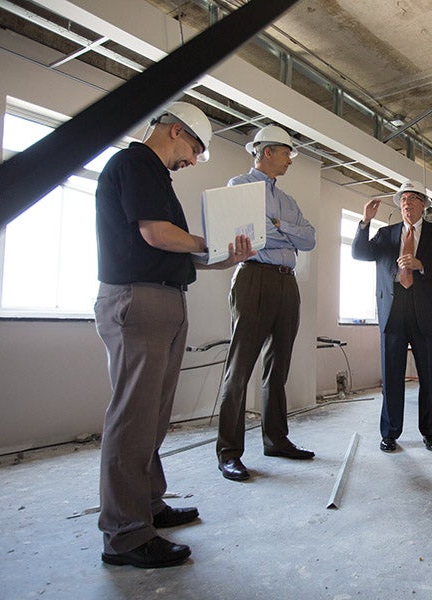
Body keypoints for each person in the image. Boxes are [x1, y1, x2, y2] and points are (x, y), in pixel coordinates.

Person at [95, 101, 254, 568]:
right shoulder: (135, 163)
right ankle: (125, 535)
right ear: (174, 131)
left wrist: (226, 255)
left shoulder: (155, 176)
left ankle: (147, 506)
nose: (191, 160)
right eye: (194, 149)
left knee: (153, 415)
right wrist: (210, 241)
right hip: (137, 299)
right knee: (133, 418)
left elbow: (178, 248)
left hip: (161, 298)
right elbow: (157, 235)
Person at [216, 125, 317, 482]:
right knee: (240, 367)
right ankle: (229, 452)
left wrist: (274, 227)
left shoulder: (287, 201)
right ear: (268, 152)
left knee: (279, 367)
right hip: (253, 278)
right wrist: (281, 230)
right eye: (287, 152)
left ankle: (276, 439)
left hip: (286, 283)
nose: (291, 159)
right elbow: (247, 233)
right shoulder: (239, 186)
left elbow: (310, 239)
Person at [351, 181, 432, 453]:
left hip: (427, 312)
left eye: (412, 198)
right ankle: (390, 433)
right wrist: (365, 222)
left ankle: (430, 433)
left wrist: (422, 265)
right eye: (402, 200)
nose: (406, 203)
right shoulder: (386, 234)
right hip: (393, 311)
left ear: (424, 203)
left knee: (430, 379)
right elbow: (359, 253)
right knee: (392, 377)